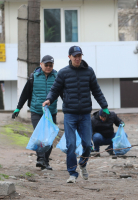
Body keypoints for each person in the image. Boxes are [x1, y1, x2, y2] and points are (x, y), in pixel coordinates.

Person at [42, 46, 109, 183]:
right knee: (71, 145)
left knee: (88, 145)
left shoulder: (89, 72)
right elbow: (55, 89)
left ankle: (83, 164)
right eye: (75, 56)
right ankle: (72, 173)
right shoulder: (63, 73)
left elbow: (96, 90)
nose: (77, 58)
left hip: (85, 115)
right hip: (70, 115)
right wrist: (49, 99)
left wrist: (104, 106)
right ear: (69, 57)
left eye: (79, 56)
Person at [12, 55, 61, 170]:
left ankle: (46, 161)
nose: (48, 67)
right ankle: (40, 159)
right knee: (39, 135)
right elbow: (25, 94)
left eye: (51, 65)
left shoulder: (57, 77)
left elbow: (63, 93)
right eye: (46, 65)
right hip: (36, 111)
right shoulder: (33, 77)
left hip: (51, 112)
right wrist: (18, 108)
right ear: (41, 64)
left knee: (49, 137)